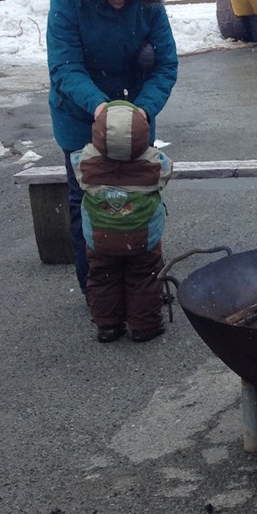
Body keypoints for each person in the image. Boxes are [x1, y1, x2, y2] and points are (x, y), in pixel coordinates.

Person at [47, 0, 179, 298]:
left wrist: (141, 110)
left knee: (139, 198)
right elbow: (64, 68)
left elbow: (166, 65)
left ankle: (141, 287)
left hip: (136, 114)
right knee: (87, 202)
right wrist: (101, 107)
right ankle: (97, 290)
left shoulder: (150, 7)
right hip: (79, 116)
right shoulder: (66, 4)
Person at [72, 101, 172, 343]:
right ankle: (144, 326)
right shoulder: (154, 163)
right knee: (144, 277)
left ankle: (108, 326)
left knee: (103, 278)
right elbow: (168, 171)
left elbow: (76, 163)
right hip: (142, 237)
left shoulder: (85, 163)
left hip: (101, 237)